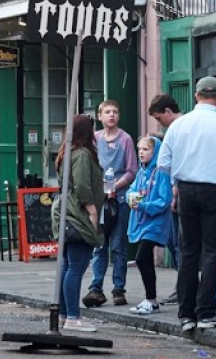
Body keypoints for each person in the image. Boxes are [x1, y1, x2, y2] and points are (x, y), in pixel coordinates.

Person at [157, 76, 216, 332]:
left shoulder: (179, 125)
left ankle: (186, 314)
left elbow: (163, 163)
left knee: (189, 251)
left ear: (197, 96)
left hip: (187, 190)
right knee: (214, 252)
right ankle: (206, 311)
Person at [83, 100, 138, 309]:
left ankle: (118, 288)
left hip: (119, 199)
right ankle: (96, 287)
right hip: (99, 200)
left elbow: (131, 170)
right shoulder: (95, 139)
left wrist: (116, 185)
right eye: (107, 112)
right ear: (100, 116)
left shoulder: (125, 139)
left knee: (118, 246)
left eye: (115, 111)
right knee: (99, 245)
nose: (111, 115)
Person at [56, 115, 105, 333]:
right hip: (77, 214)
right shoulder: (83, 154)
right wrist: (92, 211)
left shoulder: (67, 153)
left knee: (68, 266)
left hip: (65, 213)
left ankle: (65, 314)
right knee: (76, 266)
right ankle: (73, 317)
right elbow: (83, 185)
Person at [126, 136, 173, 315]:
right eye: (140, 149)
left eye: (146, 149)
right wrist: (131, 196)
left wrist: (143, 205)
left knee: (141, 257)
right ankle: (150, 300)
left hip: (155, 222)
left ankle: (151, 299)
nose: (141, 153)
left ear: (155, 152)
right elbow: (132, 189)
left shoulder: (161, 172)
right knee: (145, 260)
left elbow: (164, 200)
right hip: (142, 221)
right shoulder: (141, 172)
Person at [147, 93, 182, 305]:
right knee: (174, 242)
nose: (160, 124)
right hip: (173, 192)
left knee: (179, 243)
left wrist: (175, 191)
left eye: (160, 118)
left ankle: (186, 287)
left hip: (179, 193)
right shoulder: (171, 131)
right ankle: (182, 286)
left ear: (168, 112)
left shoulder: (179, 128)